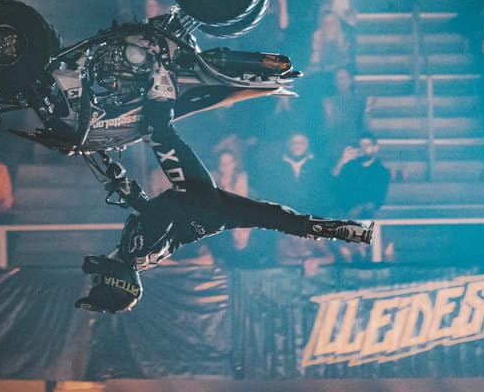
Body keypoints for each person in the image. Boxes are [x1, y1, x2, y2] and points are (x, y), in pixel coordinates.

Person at [73, 102, 372, 313]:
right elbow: (159, 214)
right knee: (159, 133)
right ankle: (157, 86)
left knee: (274, 216)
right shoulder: (138, 251)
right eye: (97, 280)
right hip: (198, 202)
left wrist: (124, 187)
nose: (96, 271)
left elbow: (155, 214)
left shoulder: (136, 256)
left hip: (207, 215)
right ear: (115, 280)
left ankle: (354, 232)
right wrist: (127, 189)